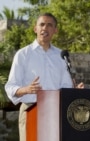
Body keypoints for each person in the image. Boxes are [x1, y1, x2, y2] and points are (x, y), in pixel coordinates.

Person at [4, 12, 84, 141]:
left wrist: (74, 92)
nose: (44, 28)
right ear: (35, 28)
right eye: (41, 24)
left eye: (49, 25)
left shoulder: (61, 56)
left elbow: (65, 87)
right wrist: (26, 89)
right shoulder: (23, 54)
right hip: (31, 109)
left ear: (55, 30)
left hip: (56, 112)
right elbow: (10, 86)